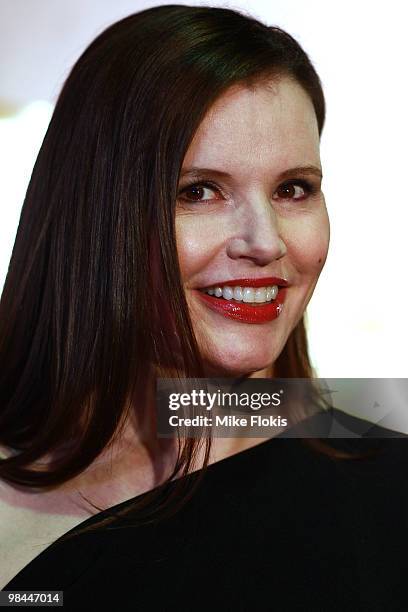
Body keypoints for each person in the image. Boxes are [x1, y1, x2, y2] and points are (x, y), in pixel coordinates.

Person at [0, 5, 407, 609]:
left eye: (294, 188)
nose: (265, 241)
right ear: (95, 216)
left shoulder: (389, 495)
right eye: (199, 191)